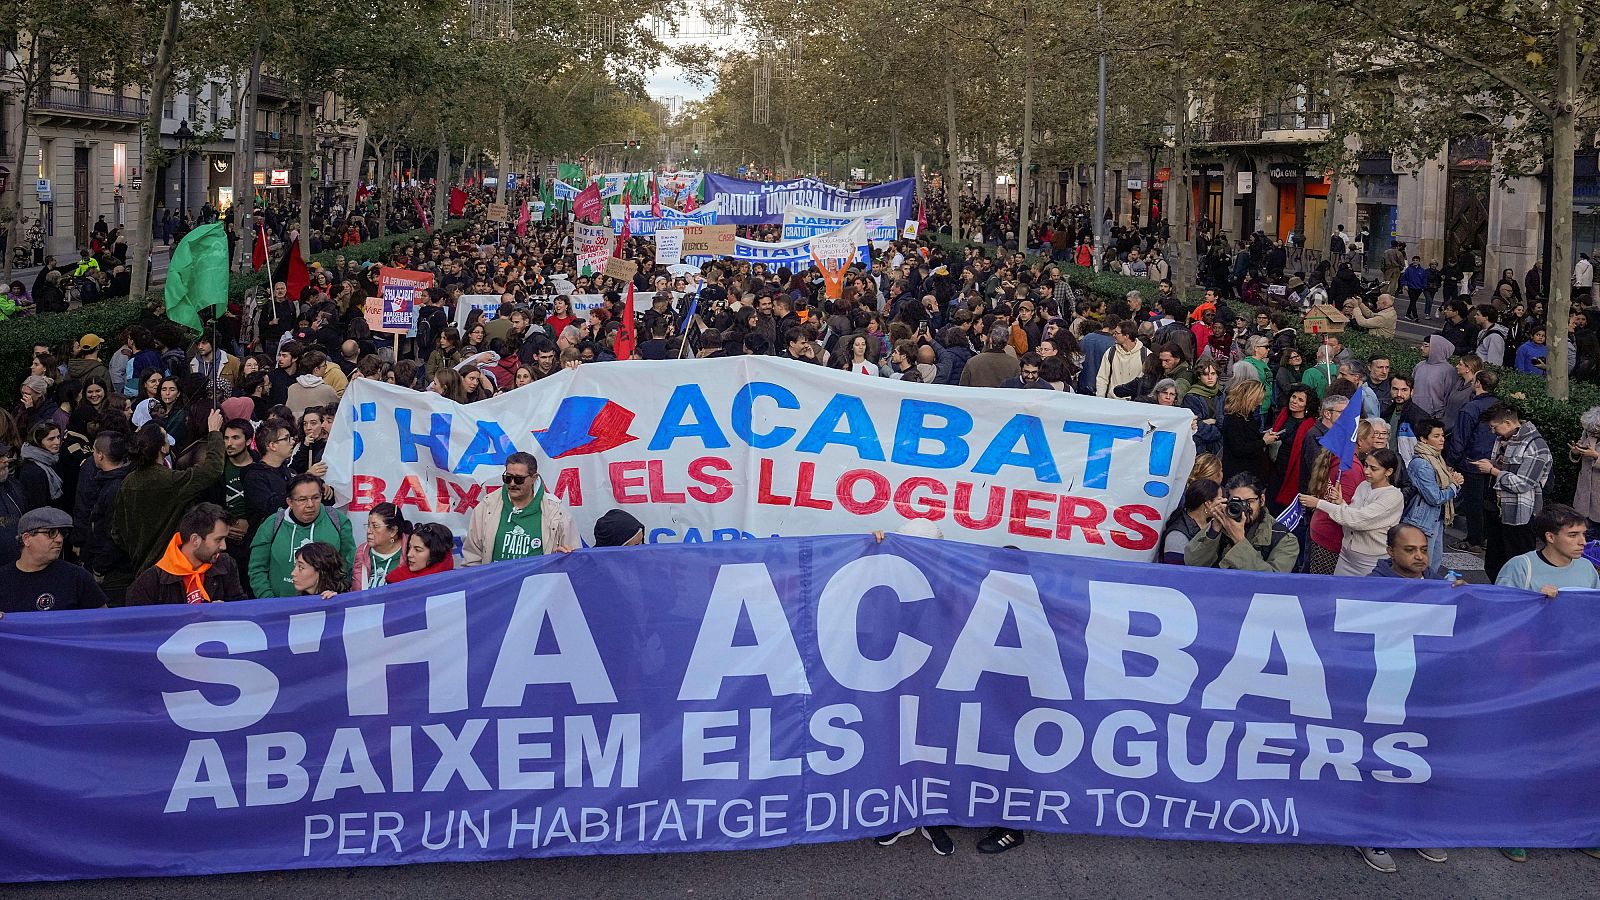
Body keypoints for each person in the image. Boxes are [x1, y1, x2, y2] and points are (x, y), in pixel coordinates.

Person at [111, 411, 226, 572]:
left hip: (141, 567)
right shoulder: (171, 481)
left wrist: (137, 548)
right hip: (170, 566)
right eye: (166, 439)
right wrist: (214, 432)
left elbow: (117, 531)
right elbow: (212, 469)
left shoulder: (128, 482)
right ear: (162, 448)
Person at [1471, 404, 1553, 581]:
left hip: (1520, 515)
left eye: (1495, 427)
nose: (1493, 432)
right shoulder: (1505, 439)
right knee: (1494, 562)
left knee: (1519, 563)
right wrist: (1493, 464)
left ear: (1507, 423)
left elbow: (1522, 483)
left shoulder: (1535, 446)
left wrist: (1492, 471)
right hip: (1497, 510)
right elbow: (1507, 468)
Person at [1300, 448, 1405, 576]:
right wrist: (1341, 503)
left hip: (1370, 561)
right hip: (1346, 555)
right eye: (1366, 465)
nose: (1366, 471)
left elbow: (1359, 520)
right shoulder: (1363, 486)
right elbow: (1352, 514)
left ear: (1388, 472)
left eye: (1373, 468)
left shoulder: (1393, 496)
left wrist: (1319, 504)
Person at [248, 473, 355, 598]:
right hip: (280, 608)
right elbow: (257, 569)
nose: (310, 504)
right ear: (290, 502)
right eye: (303, 499)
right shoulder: (272, 524)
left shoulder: (337, 520)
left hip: (326, 605)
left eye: (316, 497)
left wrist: (340, 593)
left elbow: (349, 562)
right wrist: (269, 602)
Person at [462, 451, 578, 565]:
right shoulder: (487, 506)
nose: (512, 483)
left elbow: (574, 560)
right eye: (508, 478)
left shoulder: (556, 511)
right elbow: (471, 558)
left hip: (536, 583)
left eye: (518, 479)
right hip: (497, 583)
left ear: (534, 478)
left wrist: (561, 559)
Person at [125, 503, 244, 605]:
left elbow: (241, 608)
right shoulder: (149, 582)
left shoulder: (226, 564)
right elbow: (137, 627)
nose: (224, 546)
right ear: (195, 540)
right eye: (218, 540)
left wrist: (228, 612)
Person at [1184, 473, 1299, 572]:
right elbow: (1192, 564)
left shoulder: (1284, 539)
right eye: (1237, 502)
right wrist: (1214, 530)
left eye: (1249, 501)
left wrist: (1239, 540)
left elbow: (1271, 582)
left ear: (1262, 500)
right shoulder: (1223, 524)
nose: (1243, 508)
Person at [0, 507, 108, 612]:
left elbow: (103, 620)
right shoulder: (3, 579)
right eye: (51, 533)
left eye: (62, 533)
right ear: (27, 539)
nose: (59, 539)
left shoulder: (77, 577)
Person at [1402, 418, 1463, 576]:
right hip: (1422, 521)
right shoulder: (1422, 463)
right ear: (1423, 439)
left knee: (1432, 565)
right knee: (1421, 566)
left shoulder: (1437, 458)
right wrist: (1454, 485)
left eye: (1442, 435)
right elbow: (1435, 497)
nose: (1442, 439)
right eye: (1436, 436)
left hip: (1436, 519)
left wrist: (1452, 480)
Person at [1221, 380, 1276, 482]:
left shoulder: (1247, 415)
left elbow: (1248, 436)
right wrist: (1263, 442)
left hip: (1250, 472)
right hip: (1240, 476)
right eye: (1258, 399)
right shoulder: (1233, 419)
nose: (1260, 403)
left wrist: (1264, 435)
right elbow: (1239, 448)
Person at [351, 502, 410, 590]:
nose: (369, 531)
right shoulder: (361, 552)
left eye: (375, 526)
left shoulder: (411, 552)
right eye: (368, 525)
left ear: (393, 531)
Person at [1161, 478, 1217, 564]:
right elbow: (1175, 572)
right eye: (1221, 499)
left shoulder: (1214, 525)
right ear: (1208, 504)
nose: (1225, 503)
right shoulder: (1177, 534)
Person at [385, 522, 456, 584]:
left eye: (418, 550)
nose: (409, 554)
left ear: (436, 553)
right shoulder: (396, 579)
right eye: (409, 547)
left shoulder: (457, 583)